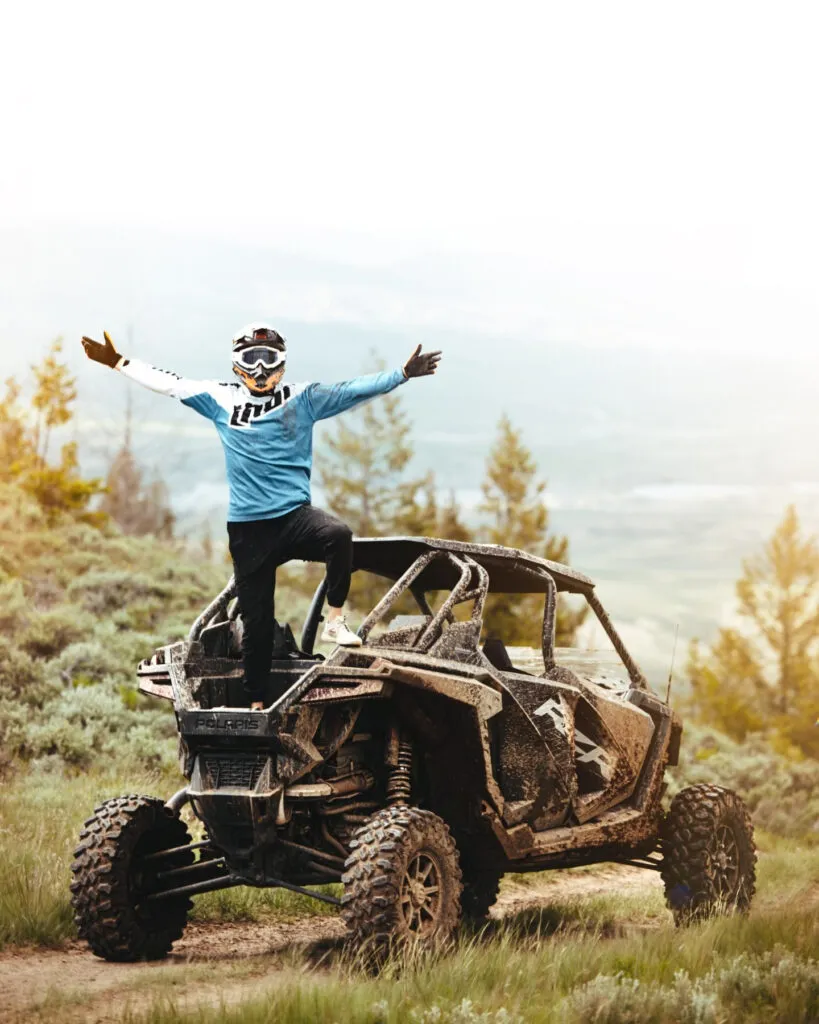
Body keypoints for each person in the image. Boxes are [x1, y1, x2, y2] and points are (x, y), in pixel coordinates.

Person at [81, 324, 441, 709]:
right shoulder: (218, 398)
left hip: (293, 518)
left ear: (281, 364)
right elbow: (170, 383)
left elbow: (351, 389)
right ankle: (256, 704)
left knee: (338, 535)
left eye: (268, 359)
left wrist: (401, 375)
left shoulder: (303, 398)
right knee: (257, 624)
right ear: (238, 364)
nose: (260, 368)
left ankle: (335, 621)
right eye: (252, 358)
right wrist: (118, 362)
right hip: (248, 530)